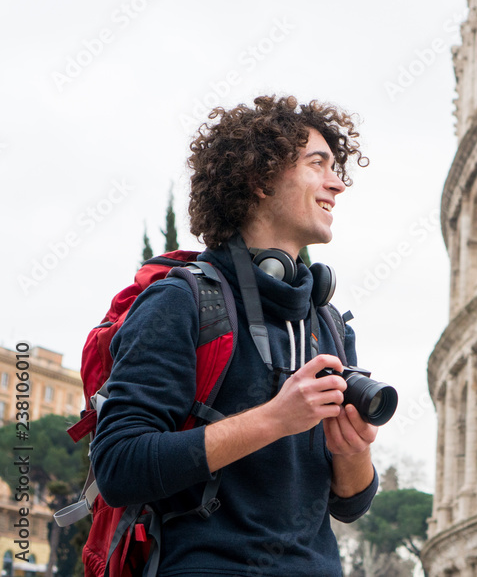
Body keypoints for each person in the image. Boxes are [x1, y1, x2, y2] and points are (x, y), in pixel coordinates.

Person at [91, 95, 378, 576]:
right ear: (260, 179)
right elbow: (120, 466)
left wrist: (355, 451)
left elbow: (349, 504)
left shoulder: (329, 323)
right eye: (318, 164)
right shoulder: (180, 302)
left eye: (338, 168)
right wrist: (276, 419)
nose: (338, 183)